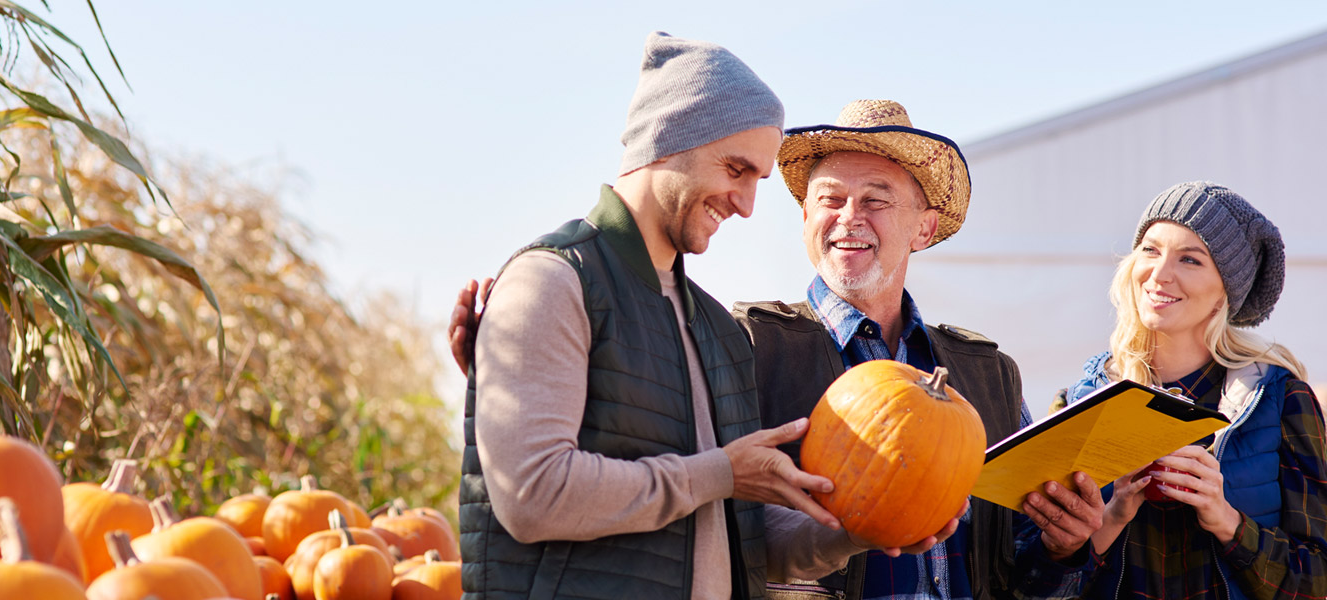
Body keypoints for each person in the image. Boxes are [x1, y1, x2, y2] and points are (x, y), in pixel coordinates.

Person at [454, 99, 1106, 600]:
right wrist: (515, 367)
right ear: (804, 220)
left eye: (876, 201)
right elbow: (629, 461)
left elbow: (1028, 571)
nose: (850, 217)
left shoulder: (987, 374)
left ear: (925, 228)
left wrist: (1064, 546)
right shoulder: (738, 343)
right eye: (830, 199)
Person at [461, 32, 844, 600]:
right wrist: (717, 472)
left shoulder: (720, 332)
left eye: (757, 180)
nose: (746, 204)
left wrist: (866, 524)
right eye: (736, 168)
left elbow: (738, 539)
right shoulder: (551, 282)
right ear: (667, 140)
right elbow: (533, 494)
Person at [1057, 181, 1327, 599]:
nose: (1159, 274)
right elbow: (1029, 582)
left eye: (1189, 259)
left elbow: (1317, 580)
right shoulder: (1080, 401)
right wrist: (1112, 517)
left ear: (1226, 292)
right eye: (1150, 250)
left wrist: (1226, 521)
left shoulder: (1281, 400)